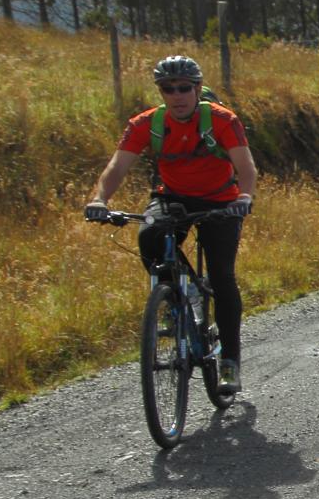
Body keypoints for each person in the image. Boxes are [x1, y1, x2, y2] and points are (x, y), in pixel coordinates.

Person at [84, 55, 258, 394]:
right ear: (160, 92)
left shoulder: (223, 120)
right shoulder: (146, 124)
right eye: (168, 89)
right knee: (149, 235)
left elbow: (246, 168)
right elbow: (116, 168)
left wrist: (244, 198)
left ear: (196, 89)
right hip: (172, 197)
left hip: (221, 202)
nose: (176, 95)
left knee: (222, 276)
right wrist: (99, 200)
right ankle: (175, 299)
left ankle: (229, 364)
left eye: (183, 88)